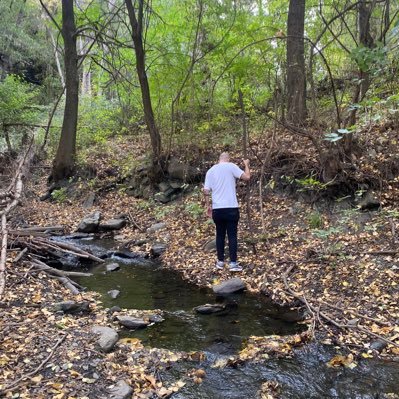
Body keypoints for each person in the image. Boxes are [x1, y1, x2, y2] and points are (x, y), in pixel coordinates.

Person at [203, 152, 250, 272]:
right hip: (231, 207)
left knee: (219, 235)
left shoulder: (211, 171)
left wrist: (208, 206)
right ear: (228, 159)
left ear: (219, 159)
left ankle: (220, 262)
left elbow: (206, 190)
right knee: (232, 235)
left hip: (217, 209)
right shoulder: (231, 166)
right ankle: (233, 263)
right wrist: (246, 165)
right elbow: (247, 177)